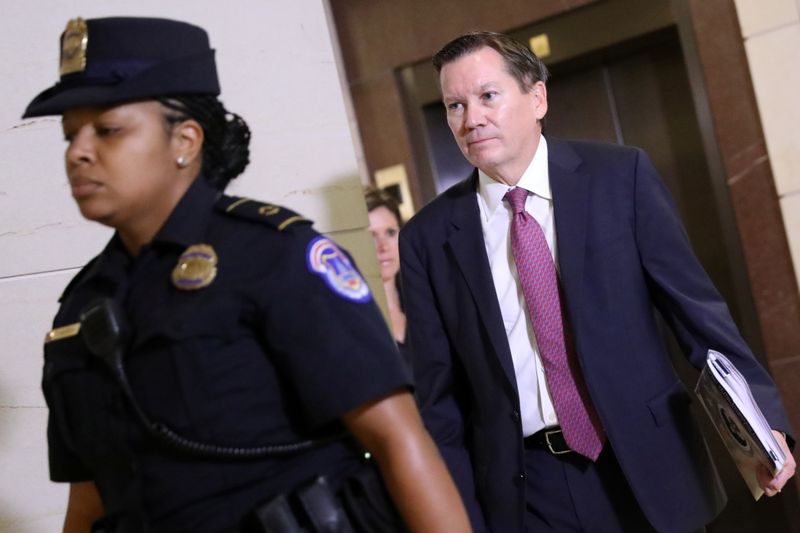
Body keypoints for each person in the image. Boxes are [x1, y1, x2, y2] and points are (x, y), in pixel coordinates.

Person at [27, 16, 471, 533]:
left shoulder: (273, 257)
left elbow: (397, 440)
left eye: (107, 130)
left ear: (186, 140)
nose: (78, 153)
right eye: (70, 136)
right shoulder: (82, 307)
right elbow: (91, 497)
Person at [399, 30, 796, 533]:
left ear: (537, 96)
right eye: (454, 105)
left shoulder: (620, 177)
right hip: (526, 490)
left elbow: (697, 315)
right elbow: (440, 401)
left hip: (645, 461)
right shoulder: (428, 239)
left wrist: (764, 426)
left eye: (487, 96)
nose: (471, 118)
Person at [365, 186, 407, 353]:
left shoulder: (423, 298)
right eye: (371, 236)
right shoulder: (354, 314)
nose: (383, 247)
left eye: (390, 233)